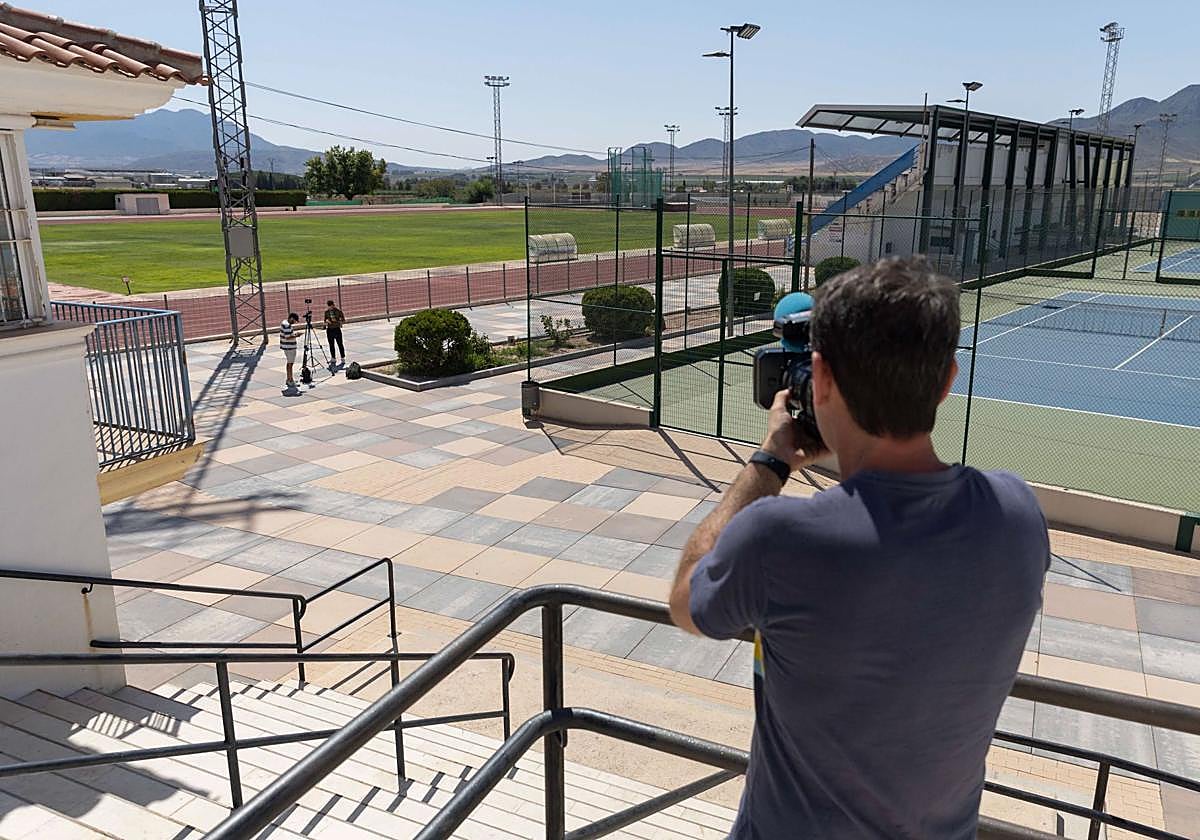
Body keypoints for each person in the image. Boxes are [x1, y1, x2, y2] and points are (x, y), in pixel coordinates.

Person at [668, 257, 1049, 839]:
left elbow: (685, 602)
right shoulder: (1017, 514)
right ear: (946, 381)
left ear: (819, 378)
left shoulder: (778, 537)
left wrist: (769, 463)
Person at [280, 312, 300, 388]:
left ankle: (289, 378)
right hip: (289, 347)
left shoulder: (284, 323)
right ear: (291, 318)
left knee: (289, 363)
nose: (294, 322)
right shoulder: (287, 325)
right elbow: (288, 337)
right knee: (290, 364)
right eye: (294, 321)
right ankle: (290, 380)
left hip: (286, 346)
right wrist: (296, 335)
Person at [323, 299, 346, 364]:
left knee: (340, 344)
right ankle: (333, 358)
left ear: (333, 305)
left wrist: (338, 321)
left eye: (331, 306)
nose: (330, 307)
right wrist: (326, 322)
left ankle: (342, 357)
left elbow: (343, 320)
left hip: (336, 329)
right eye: (329, 306)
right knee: (331, 344)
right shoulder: (326, 312)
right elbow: (325, 320)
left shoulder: (338, 311)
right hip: (329, 330)